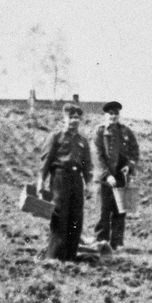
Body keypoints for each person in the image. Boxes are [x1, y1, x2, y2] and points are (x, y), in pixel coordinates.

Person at [38, 103, 93, 261]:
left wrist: (89, 184)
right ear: (64, 118)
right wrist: (41, 181)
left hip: (77, 180)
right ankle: (54, 256)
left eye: (77, 117)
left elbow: (87, 165)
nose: (74, 120)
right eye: (71, 117)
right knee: (60, 216)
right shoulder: (56, 137)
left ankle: (70, 256)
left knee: (76, 217)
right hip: (60, 178)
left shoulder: (83, 141)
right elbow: (46, 161)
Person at [92, 100, 141, 250]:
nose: (113, 116)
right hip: (104, 179)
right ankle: (102, 242)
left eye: (116, 114)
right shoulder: (100, 132)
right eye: (110, 114)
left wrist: (129, 166)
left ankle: (117, 243)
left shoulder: (126, 131)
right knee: (103, 211)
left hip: (122, 177)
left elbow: (134, 151)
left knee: (120, 211)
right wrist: (107, 175)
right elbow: (97, 155)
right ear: (105, 115)